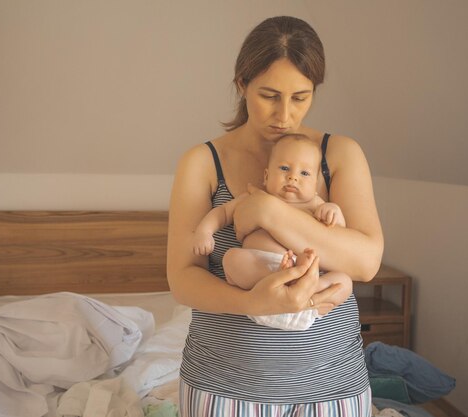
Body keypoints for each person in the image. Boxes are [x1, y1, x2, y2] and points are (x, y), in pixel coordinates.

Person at [167, 15, 383, 417]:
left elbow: (366, 262)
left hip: (333, 385)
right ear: (241, 85)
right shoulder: (202, 162)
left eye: (300, 98)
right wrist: (255, 302)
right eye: (269, 95)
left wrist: (268, 210)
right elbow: (182, 279)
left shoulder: (338, 155)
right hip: (224, 388)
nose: (284, 115)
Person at [192, 133, 353, 331]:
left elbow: (341, 238)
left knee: (344, 282)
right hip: (262, 275)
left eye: (304, 173)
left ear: (316, 185)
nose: (293, 177)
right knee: (232, 258)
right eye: (284, 168)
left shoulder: (316, 205)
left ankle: (311, 291)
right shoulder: (254, 197)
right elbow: (223, 212)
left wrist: (334, 212)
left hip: (305, 277)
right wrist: (204, 231)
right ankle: (281, 279)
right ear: (267, 176)